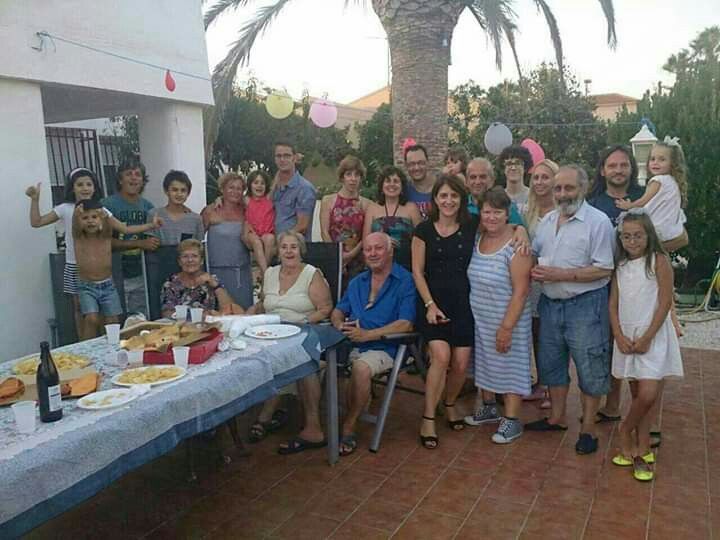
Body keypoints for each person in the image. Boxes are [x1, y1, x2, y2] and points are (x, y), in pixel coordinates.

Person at [526, 165, 615, 456]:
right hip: (550, 305)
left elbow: (604, 269)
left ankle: (588, 429)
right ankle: (556, 418)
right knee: (552, 365)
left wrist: (559, 275)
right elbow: (534, 253)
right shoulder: (547, 220)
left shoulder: (598, 222)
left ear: (584, 188)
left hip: (586, 306)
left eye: (569, 188)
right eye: (558, 188)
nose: (562, 194)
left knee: (590, 367)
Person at [610, 209, 683, 482]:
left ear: (648, 235)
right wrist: (618, 334)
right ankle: (641, 450)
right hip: (627, 337)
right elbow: (613, 303)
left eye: (638, 235)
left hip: (651, 336)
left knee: (649, 394)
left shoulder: (659, 261)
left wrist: (648, 337)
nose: (632, 241)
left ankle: (624, 430)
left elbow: (664, 302)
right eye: (626, 237)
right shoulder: (620, 266)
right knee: (637, 391)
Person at [331, 232, 416, 455]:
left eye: (378, 248)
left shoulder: (405, 280)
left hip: (385, 346)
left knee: (361, 369)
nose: (372, 253)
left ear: (390, 251)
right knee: (318, 363)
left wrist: (369, 335)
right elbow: (339, 309)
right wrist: (339, 323)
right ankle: (318, 423)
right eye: (368, 249)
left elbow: (405, 324)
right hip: (351, 342)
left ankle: (349, 425)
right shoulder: (358, 281)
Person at [245, 231, 333, 446]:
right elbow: (264, 303)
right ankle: (265, 411)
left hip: (305, 330)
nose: (288, 251)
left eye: (293, 247)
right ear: (278, 251)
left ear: (300, 251)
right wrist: (251, 312)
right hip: (271, 331)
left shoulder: (311, 274)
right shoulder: (270, 273)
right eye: (284, 247)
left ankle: (310, 426)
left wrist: (302, 323)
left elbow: (325, 308)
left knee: (301, 360)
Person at [412, 175, 476, 449]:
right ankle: (428, 417)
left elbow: (505, 227)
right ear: (435, 199)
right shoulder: (423, 230)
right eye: (443, 196)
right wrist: (429, 305)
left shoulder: (472, 225)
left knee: (461, 363)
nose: (448, 201)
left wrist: (520, 232)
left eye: (454, 196)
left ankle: (448, 403)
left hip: (464, 303)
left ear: (461, 199)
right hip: (431, 303)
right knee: (441, 355)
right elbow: (417, 270)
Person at [465, 188, 532, 443]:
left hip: (508, 318)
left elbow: (522, 291)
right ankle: (489, 408)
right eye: (486, 212)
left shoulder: (517, 245)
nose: (491, 217)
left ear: (507, 214)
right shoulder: (478, 238)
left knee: (510, 364)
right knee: (485, 362)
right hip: (482, 317)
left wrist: (506, 327)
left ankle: (512, 420)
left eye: (497, 212)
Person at [586, 145, 646, 424]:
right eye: (612, 165)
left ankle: (643, 411)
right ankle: (610, 405)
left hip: (640, 286)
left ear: (631, 168)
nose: (618, 170)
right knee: (607, 345)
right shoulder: (593, 203)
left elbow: (675, 236)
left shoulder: (644, 199)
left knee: (638, 344)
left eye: (623, 165)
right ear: (603, 170)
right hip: (603, 286)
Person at [25, 168, 109, 339]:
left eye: (88, 184)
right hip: (74, 266)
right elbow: (37, 222)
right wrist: (35, 200)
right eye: (80, 184)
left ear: (95, 187)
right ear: (72, 188)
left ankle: (103, 342)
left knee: (100, 308)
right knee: (79, 308)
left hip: (98, 267)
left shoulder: (101, 209)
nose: (85, 188)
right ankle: (83, 343)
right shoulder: (65, 209)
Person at [73, 199, 161, 339]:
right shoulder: (79, 237)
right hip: (86, 287)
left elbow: (127, 229)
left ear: (101, 219)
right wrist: (76, 215)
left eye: (94, 217)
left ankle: (110, 349)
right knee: (91, 318)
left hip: (108, 286)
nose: (90, 221)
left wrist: (151, 225)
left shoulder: (106, 235)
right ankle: (86, 349)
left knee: (112, 322)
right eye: (85, 218)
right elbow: (76, 224)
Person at [519, 159, 559, 408]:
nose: (540, 182)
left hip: (556, 278)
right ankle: (542, 382)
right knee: (536, 332)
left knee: (553, 335)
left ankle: (553, 387)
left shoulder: (563, 210)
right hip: (534, 281)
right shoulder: (528, 212)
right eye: (536, 177)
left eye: (545, 177)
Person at [102, 160, 157, 316]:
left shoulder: (148, 207)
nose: (133, 178)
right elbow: (103, 242)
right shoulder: (107, 205)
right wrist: (139, 243)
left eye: (138, 174)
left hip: (141, 273)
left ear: (142, 181)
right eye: (128, 174)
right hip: (114, 273)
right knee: (115, 319)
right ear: (120, 179)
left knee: (138, 319)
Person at [201, 172, 254, 310]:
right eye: (231, 187)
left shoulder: (246, 210)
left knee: (243, 312)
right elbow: (198, 240)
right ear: (222, 189)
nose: (235, 191)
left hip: (241, 273)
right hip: (216, 273)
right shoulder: (210, 211)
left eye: (239, 188)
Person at [320, 155, 371, 282]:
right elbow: (324, 232)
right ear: (342, 177)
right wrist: (337, 256)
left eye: (357, 175)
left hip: (357, 260)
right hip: (332, 257)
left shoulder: (367, 204)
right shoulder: (328, 201)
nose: (353, 179)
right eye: (349, 174)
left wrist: (349, 256)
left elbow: (366, 235)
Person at [363, 165, 422, 271]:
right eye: (388, 181)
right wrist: (383, 241)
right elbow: (366, 240)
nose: (392, 184)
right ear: (381, 186)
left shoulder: (411, 208)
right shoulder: (372, 208)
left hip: (406, 264)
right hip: (378, 264)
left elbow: (421, 239)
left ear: (402, 186)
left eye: (396, 181)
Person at [160, 239, 235, 318]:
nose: (190, 260)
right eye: (185, 256)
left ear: (201, 261)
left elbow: (230, 309)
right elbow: (166, 313)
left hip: (208, 326)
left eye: (194, 256)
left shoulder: (212, 280)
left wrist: (215, 285)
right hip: (181, 327)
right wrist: (197, 316)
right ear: (179, 261)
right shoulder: (171, 283)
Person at [271, 141, 317, 241]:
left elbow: (302, 226)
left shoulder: (304, 188)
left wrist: (280, 243)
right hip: (272, 249)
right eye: (278, 156)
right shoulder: (274, 187)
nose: (282, 159)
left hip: (294, 250)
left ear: (294, 158)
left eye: (287, 155)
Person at [147, 170, 204, 246]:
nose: (179, 194)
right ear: (166, 191)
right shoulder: (154, 215)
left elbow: (199, 248)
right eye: (175, 190)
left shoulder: (196, 219)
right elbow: (149, 247)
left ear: (188, 193)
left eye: (183, 190)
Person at [465, 158, 524, 224]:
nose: (477, 182)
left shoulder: (507, 206)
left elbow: (520, 231)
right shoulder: (460, 206)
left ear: (492, 180)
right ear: (466, 181)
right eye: (473, 177)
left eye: (482, 177)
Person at [244, 169, 276, 275]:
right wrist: (219, 199)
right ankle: (266, 273)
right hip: (251, 232)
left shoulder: (268, 199)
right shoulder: (246, 200)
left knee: (270, 238)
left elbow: (276, 180)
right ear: (250, 185)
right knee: (256, 242)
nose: (259, 186)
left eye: (262, 183)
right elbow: (229, 199)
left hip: (266, 232)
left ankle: (263, 272)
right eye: (256, 182)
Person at [404, 144, 434, 219]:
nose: (416, 168)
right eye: (412, 164)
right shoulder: (402, 192)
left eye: (420, 163)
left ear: (428, 162)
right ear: (406, 166)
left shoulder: (442, 187)